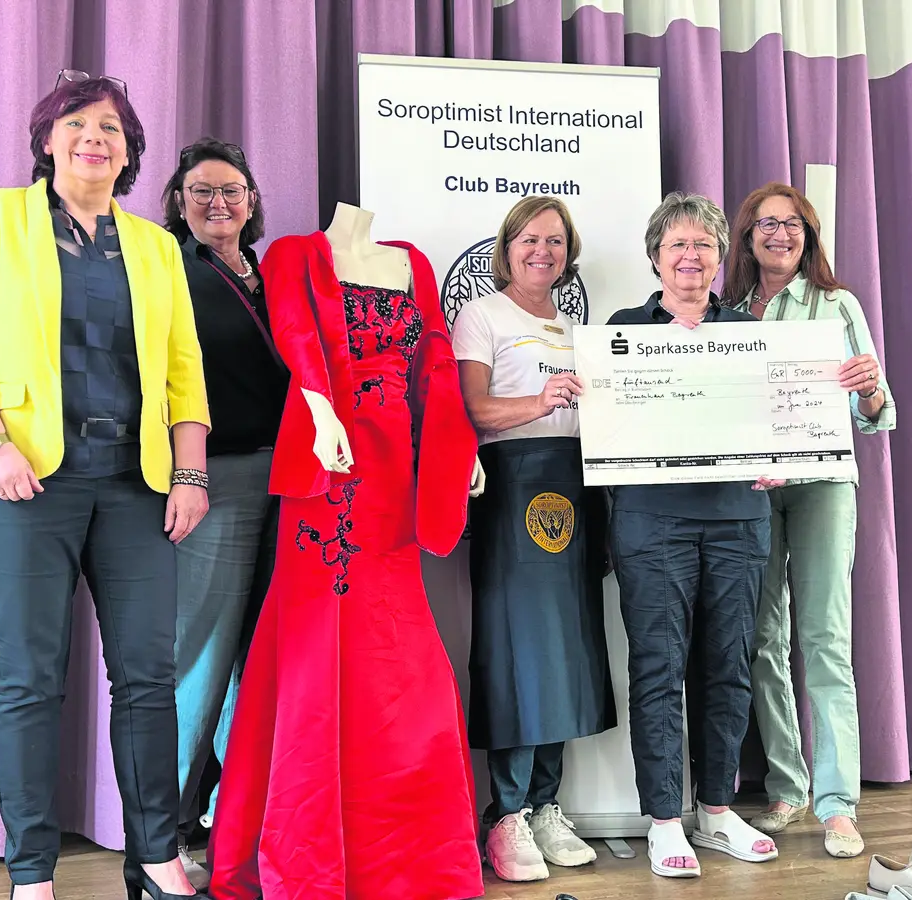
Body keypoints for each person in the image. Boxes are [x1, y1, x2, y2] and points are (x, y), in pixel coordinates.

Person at [0, 71, 207, 900]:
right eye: (77, 124)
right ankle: (31, 876)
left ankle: (155, 858)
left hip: (136, 489)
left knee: (150, 678)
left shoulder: (155, 246)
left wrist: (188, 474)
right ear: (47, 141)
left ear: (130, 151)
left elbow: (185, 373)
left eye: (113, 128)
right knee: (30, 678)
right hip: (21, 486)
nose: (95, 138)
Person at [207, 203, 487, 900]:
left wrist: (459, 452)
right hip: (328, 464)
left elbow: (438, 367)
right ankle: (307, 854)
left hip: (395, 469)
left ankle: (413, 858)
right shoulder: (295, 253)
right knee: (315, 645)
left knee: (397, 647)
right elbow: (298, 337)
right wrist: (321, 410)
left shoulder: (412, 262)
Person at [604, 192, 781, 878]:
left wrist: (786, 459)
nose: (690, 257)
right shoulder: (623, 330)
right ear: (655, 258)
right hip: (653, 525)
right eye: (677, 245)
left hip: (739, 521)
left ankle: (715, 808)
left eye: (703, 245)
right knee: (658, 668)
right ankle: (664, 820)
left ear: (719, 257)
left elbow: (779, 422)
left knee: (729, 666)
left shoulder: (748, 333)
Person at [726, 181, 894, 859]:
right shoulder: (728, 309)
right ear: (746, 236)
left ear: (810, 234)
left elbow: (875, 412)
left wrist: (872, 388)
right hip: (753, 490)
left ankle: (837, 804)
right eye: (766, 224)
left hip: (823, 484)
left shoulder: (837, 303)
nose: (780, 234)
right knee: (762, 637)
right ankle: (787, 788)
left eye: (793, 224)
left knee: (825, 636)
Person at [452, 196, 615, 883]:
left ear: (567, 252)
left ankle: (547, 805)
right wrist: (542, 401)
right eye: (528, 239)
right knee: (515, 647)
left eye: (554, 241)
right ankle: (507, 814)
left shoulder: (581, 329)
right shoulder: (482, 315)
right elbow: (475, 408)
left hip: (576, 488)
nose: (541, 250)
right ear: (507, 247)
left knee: (568, 649)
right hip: (511, 485)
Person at [158, 138, 288, 881]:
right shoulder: (172, 272)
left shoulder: (267, 275)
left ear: (251, 200)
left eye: (231, 191)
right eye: (202, 191)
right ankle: (166, 829)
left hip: (285, 481)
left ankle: (232, 822)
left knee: (258, 660)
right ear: (179, 201)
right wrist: (187, 472)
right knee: (200, 659)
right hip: (215, 478)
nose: (218, 204)